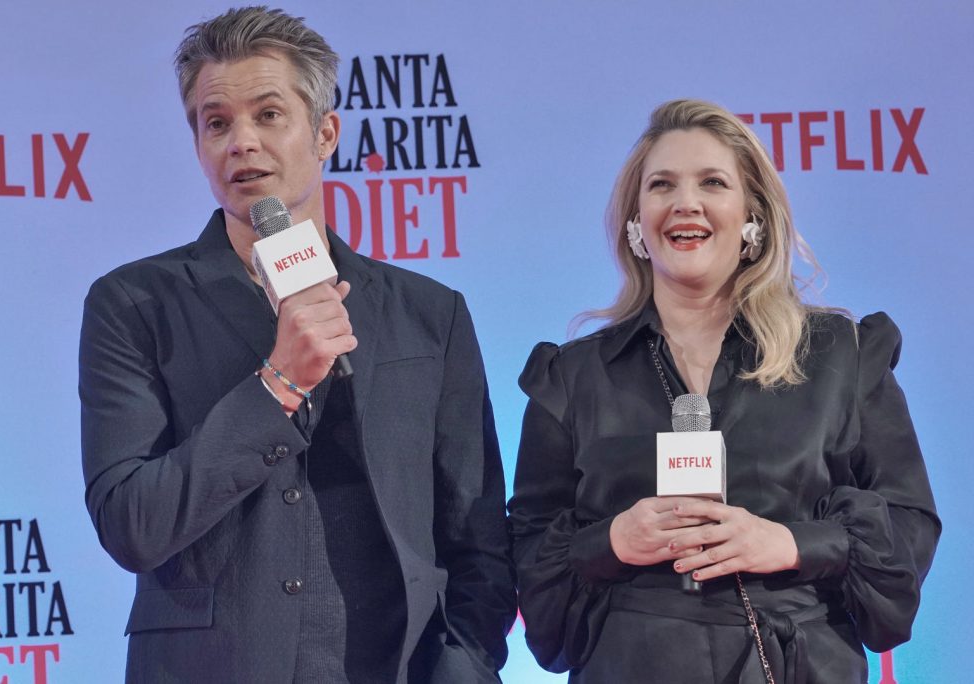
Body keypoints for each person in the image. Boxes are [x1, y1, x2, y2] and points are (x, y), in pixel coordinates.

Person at [78, 7, 515, 682]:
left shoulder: (429, 314)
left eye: (269, 115)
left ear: (325, 132)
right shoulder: (134, 304)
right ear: (197, 143)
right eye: (216, 123)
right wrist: (276, 385)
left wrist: (463, 667)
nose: (241, 143)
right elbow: (131, 523)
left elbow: (478, 542)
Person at [507, 99, 939, 683]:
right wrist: (612, 540)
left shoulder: (839, 354)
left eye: (713, 182)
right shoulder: (574, 377)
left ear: (751, 215)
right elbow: (530, 550)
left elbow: (909, 524)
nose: (686, 202)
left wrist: (792, 543)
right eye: (662, 185)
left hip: (798, 662)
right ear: (636, 221)